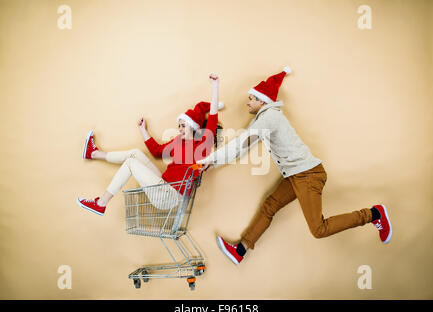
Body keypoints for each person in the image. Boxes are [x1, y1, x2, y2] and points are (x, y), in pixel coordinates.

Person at [198, 67, 392, 265]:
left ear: (262, 101)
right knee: (270, 206)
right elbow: (244, 146)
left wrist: (210, 159)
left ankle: (374, 214)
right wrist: (212, 163)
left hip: (307, 175)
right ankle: (241, 250)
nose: (247, 102)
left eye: (251, 98)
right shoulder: (265, 118)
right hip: (296, 175)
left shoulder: (270, 117)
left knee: (319, 230)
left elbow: (241, 142)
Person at [77, 74, 223, 215]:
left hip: (168, 195)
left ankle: (101, 204)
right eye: (179, 126)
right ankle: (93, 153)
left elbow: (213, 115)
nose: (179, 129)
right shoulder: (178, 141)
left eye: (183, 125)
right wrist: (143, 130)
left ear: (193, 126)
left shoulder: (204, 142)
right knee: (135, 153)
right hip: (163, 185)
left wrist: (215, 86)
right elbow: (156, 151)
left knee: (130, 163)